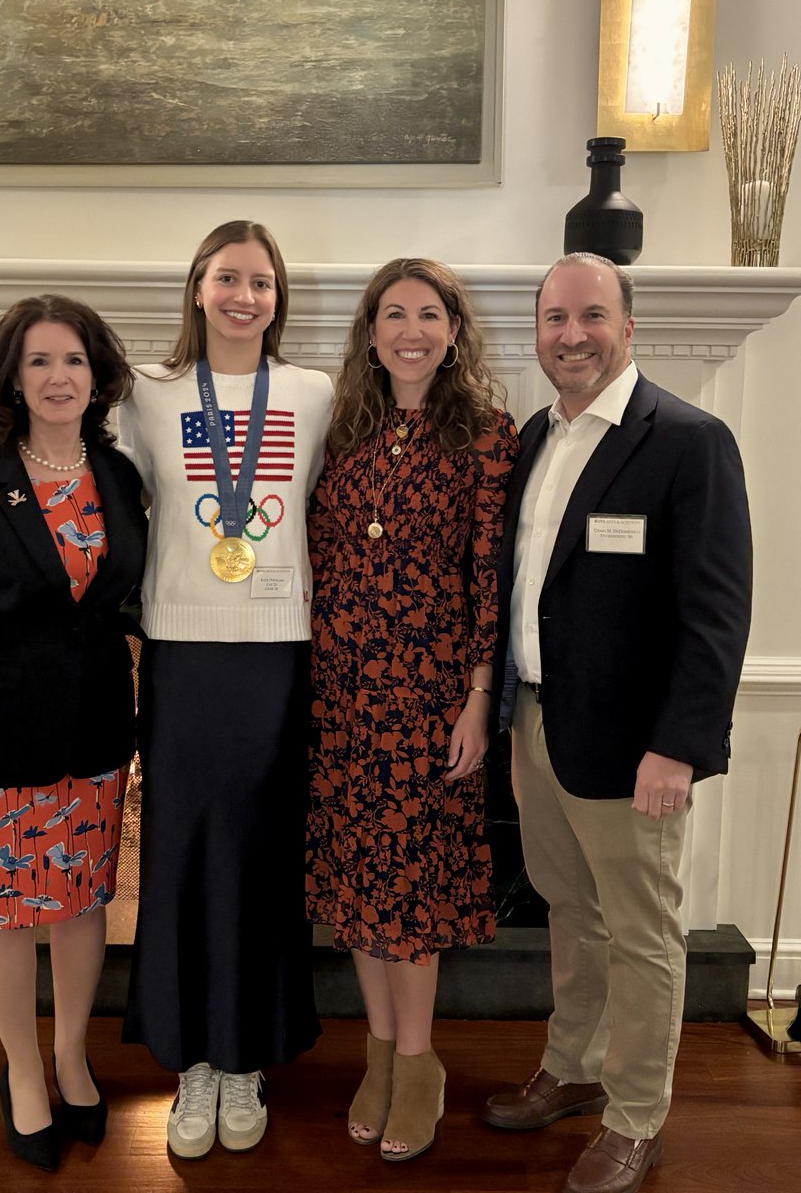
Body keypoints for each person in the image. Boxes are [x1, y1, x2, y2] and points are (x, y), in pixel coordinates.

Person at [481, 253, 752, 1193]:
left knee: (641, 932)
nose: (571, 335)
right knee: (570, 914)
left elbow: (715, 614)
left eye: (591, 315)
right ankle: (574, 1067)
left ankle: (637, 1118)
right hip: (539, 727)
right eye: (555, 317)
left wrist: (679, 746)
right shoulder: (534, 439)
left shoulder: (687, 440)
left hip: (637, 747)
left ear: (628, 326)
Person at [0, 294, 148, 1171]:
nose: (60, 378)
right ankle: (21, 1070)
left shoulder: (119, 476)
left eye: (75, 361)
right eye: (41, 362)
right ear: (12, 378)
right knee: (6, 917)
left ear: (99, 377)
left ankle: (71, 1056)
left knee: (82, 903)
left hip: (93, 734)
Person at [117, 220, 329, 1159]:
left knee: (260, 854)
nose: (247, 296)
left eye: (263, 282)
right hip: (183, 655)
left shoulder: (315, 393)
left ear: (279, 298)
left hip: (278, 653)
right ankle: (191, 1061)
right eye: (229, 278)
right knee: (183, 852)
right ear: (197, 287)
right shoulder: (144, 394)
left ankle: (245, 1059)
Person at [305, 258, 518, 1162]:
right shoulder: (343, 431)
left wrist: (476, 701)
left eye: (429, 314)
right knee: (358, 884)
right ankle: (380, 1052)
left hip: (430, 699)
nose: (410, 330)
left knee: (414, 890)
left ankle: (421, 1061)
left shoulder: (487, 436)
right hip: (341, 695)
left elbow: (490, 586)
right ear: (370, 331)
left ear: (455, 330)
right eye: (393, 314)